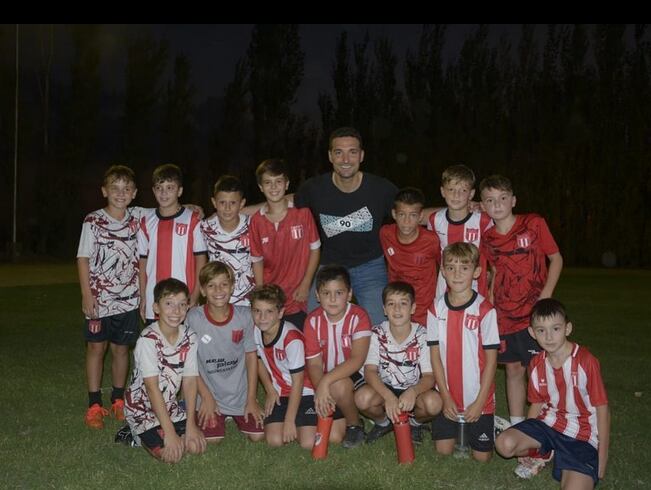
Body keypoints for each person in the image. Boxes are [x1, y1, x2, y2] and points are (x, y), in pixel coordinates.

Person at [495, 299, 610, 488]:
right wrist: (527, 448)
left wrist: (602, 458)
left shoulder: (586, 361)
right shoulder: (536, 364)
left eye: (555, 329)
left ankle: (561, 456)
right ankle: (543, 452)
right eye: (541, 330)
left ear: (567, 328)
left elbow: (603, 409)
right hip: (548, 426)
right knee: (504, 445)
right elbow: (537, 404)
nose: (549, 337)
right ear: (532, 333)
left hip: (581, 436)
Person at [479, 174, 563, 430]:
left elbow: (556, 259)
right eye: (490, 200)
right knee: (514, 369)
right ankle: (517, 427)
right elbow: (493, 273)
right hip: (504, 314)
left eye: (503, 198)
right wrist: (491, 304)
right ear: (483, 206)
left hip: (533, 313)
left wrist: (546, 294)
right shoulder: (488, 238)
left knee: (537, 370)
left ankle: (543, 425)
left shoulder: (533, 223)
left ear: (513, 200)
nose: (497, 204)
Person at [294, 127, 398, 325]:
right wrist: (236, 210)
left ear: (361, 155)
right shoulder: (313, 189)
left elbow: (411, 212)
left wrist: (460, 208)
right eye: (339, 152)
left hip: (371, 267)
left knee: (381, 325)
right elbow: (282, 204)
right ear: (330, 156)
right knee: (313, 322)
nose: (346, 159)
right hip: (329, 265)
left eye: (352, 152)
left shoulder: (381, 189)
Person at [77, 164, 141, 429]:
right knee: (96, 348)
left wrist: (194, 206)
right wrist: (86, 294)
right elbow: (83, 259)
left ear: (135, 193)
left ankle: (118, 399)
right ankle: (94, 404)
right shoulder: (93, 221)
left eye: (126, 188)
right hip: (99, 300)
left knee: (121, 349)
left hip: (128, 299)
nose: (120, 193)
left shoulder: (138, 217)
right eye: (114, 188)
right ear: (104, 191)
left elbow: (168, 206)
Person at [427, 242, 500, 462]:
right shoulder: (435, 308)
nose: (457, 273)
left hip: (477, 397)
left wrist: (480, 402)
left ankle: (489, 423)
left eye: (464, 267)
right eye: (451, 267)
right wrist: (445, 397)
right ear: (443, 271)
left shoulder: (485, 310)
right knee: (443, 451)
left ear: (477, 272)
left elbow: (491, 361)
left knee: (482, 459)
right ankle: (461, 427)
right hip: (448, 396)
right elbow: (435, 357)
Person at [123, 278, 206, 463]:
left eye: (182, 304)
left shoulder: (190, 337)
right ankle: (132, 432)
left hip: (169, 406)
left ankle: (167, 428)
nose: (176, 311)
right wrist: (169, 433)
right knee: (170, 456)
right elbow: (152, 389)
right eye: (169, 304)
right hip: (142, 409)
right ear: (156, 308)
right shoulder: (148, 340)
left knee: (193, 446)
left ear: (187, 307)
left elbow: (190, 380)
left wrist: (191, 424)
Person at [185, 261, 264, 443]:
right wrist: (205, 397)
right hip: (209, 392)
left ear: (232, 287)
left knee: (258, 435)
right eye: (211, 286)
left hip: (239, 394)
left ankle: (236, 409)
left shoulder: (244, 316)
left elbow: (251, 358)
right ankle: (211, 409)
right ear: (203, 291)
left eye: (224, 284)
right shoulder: (194, 318)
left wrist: (251, 398)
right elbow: (189, 363)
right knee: (213, 440)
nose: (218, 290)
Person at [356, 281, 442, 444]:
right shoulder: (376, 333)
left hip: (413, 389)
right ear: (384, 310)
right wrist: (388, 396)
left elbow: (430, 376)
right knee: (362, 398)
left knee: (434, 404)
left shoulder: (422, 335)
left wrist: (413, 391)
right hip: (385, 387)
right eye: (391, 304)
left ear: (413, 308)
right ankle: (384, 422)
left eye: (403, 303)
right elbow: (370, 372)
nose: (397, 309)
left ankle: (414, 423)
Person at [304, 265, 372, 448]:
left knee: (339, 386)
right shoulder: (312, 321)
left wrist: (326, 383)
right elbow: (315, 364)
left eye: (339, 293)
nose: (332, 299)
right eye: (326, 293)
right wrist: (321, 390)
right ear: (317, 296)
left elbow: (357, 359)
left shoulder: (359, 316)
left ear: (349, 294)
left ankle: (354, 425)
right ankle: (341, 409)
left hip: (355, 373)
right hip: (326, 376)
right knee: (332, 437)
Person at [249, 158, 321, 330]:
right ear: (260, 187)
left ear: (287, 184)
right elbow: (257, 259)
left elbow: (315, 249)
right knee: (272, 342)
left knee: (301, 340)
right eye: (268, 182)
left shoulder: (302, 213)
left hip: (298, 293)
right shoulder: (256, 221)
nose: (273, 187)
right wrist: (260, 292)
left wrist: (306, 283)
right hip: (272, 294)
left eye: (278, 181)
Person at [138, 164, 207, 324]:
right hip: (154, 299)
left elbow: (201, 262)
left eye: (170, 188)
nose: (164, 193)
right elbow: (142, 263)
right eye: (159, 188)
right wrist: (143, 297)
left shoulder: (193, 220)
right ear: (154, 191)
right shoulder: (146, 221)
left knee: (185, 347)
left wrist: (195, 296)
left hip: (184, 300)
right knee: (157, 347)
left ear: (180, 191)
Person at [250, 284, 317, 449]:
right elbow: (258, 359)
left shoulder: (291, 339)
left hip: (305, 392)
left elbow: (299, 382)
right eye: (257, 311)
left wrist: (289, 420)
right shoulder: (256, 331)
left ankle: (322, 416)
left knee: (308, 443)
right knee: (275, 440)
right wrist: (270, 389)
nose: (262, 317)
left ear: (280, 313)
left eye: (269, 311)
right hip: (281, 393)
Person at [426, 164, 492, 299]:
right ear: (443, 191)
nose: (456, 195)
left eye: (462, 190)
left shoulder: (484, 221)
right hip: (445, 287)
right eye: (451, 189)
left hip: (477, 288)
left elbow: (494, 257)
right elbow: (436, 256)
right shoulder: (434, 220)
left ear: (471, 194)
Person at [379, 187, 440, 325]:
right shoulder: (385, 234)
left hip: (424, 310)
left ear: (420, 217)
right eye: (402, 215)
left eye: (412, 215)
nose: (406, 221)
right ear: (394, 214)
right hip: (397, 309)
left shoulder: (431, 240)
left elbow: (444, 267)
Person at [200, 175, 254, 306]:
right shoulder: (204, 227)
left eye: (233, 203)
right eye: (222, 203)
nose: (227, 208)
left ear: (242, 203)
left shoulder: (252, 225)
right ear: (214, 202)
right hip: (217, 298)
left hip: (248, 299)